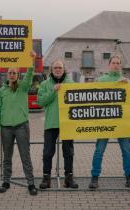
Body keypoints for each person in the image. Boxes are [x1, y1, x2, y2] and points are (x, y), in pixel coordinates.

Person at [88, 55, 130, 190]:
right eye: (113, 63)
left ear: (120, 65)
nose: (115, 65)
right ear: (109, 65)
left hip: (122, 122)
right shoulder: (101, 80)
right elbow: (94, 99)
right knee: (99, 150)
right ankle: (94, 177)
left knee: (126, 151)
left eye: (118, 63)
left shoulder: (126, 82)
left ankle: (129, 177)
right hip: (105, 122)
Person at [0, 51, 38, 196]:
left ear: (18, 75)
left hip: (21, 127)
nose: (12, 75)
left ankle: (31, 183)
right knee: (7, 156)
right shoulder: (2, 90)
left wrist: (32, 61)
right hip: (6, 128)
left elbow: (30, 75)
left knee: (25, 156)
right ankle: (6, 181)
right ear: (7, 75)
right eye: (10, 72)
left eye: (14, 73)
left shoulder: (23, 87)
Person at [37, 59, 78, 189]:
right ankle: (46, 178)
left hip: (67, 123)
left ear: (64, 69)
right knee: (48, 152)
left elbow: (78, 101)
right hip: (51, 122)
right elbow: (40, 102)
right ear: (51, 70)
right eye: (55, 68)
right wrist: (53, 91)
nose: (58, 70)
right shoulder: (44, 84)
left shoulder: (71, 83)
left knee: (69, 152)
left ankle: (69, 178)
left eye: (60, 67)